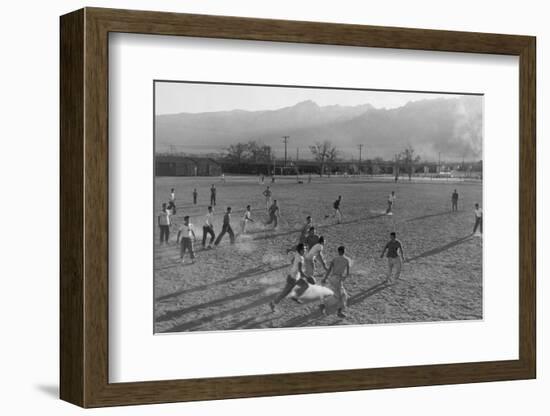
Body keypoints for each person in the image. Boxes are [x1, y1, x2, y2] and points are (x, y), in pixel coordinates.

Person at [269, 243, 314, 312]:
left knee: (305, 285)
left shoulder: (298, 253)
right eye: (304, 249)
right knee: (284, 294)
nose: (305, 250)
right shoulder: (300, 259)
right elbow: (301, 271)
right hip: (292, 279)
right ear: (301, 250)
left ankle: (294, 296)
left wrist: (290, 250)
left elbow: (296, 247)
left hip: (296, 277)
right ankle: (273, 303)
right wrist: (308, 277)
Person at [320, 245, 352, 318]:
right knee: (341, 296)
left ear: (338, 251)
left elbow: (329, 270)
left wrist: (325, 278)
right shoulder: (347, 260)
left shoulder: (334, 259)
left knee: (341, 295)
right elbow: (347, 273)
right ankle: (325, 305)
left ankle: (338, 311)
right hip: (338, 280)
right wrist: (344, 278)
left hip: (332, 278)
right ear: (344, 251)